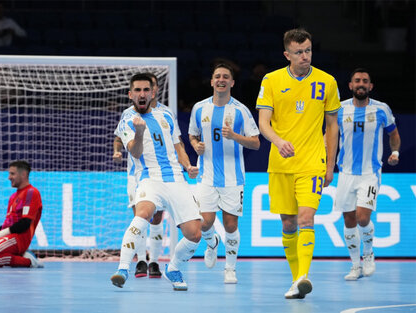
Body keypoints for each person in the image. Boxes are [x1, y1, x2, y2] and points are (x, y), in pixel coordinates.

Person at [256, 28, 341, 299]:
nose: (305, 56)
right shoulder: (271, 80)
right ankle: (297, 281)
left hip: (312, 163)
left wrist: (329, 165)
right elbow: (263, 123)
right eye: (299, 52)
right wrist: (279, 142)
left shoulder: (327, 81)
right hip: (280, 164)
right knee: (288, 224)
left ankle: (304, 275)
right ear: (287, 54)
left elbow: (332, 126)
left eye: (308, 51)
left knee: (306, 218)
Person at [110, 73, 202, 291]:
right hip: (148, 177)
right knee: (143, 214)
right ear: (130, 94)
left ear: (153, 93)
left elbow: (178, 145)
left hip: (176, 178)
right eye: (137, 91)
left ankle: (173, 267)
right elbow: (134, 151)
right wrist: (140, 132)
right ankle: (123, 268)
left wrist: (188, 165)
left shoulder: (166, 115)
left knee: (194, 234)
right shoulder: (127, 120)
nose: (142, 94)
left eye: (145, 90)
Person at [188, 63, 260, 284]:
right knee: (204, 224)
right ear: (211, 81)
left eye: (225, 77)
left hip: (233, 178)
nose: (221, 79)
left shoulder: (241, 110)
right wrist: (195, 146)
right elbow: (192, 135)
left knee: (230, 225)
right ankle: (212, 243)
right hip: (206, 176)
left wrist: (236, 137)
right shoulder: (199, 108)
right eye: (217, 76)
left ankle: (230, 269)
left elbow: (256, 143)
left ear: (232, 82)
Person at [333, 68, 400, 281]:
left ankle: (368, 253)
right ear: (350, 85)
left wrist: (395, 152)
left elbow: (394, 134)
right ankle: (355, 265)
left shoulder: (382, 109)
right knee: (348, 220)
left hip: (370, 172)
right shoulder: (339, 110)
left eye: (365, 81)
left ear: (370, 86)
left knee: (363, 218)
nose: (361, 84)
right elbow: (329, 138)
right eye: (357, 81)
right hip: (345, 173)